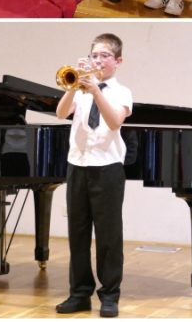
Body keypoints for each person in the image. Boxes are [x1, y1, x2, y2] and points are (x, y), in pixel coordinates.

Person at [53, 33, 132, 318]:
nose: (98, 60)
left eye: (104, 56)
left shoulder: (121, 91)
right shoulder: (80, 88)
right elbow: (61, 113)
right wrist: (74, 87)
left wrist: (97, 90)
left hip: (107, 169)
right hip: (77, 166)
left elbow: (113, 122)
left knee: (109, 236)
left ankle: (110, 295)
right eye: (94, 55)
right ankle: (79, 293)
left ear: (117, 61)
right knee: (78, 233)